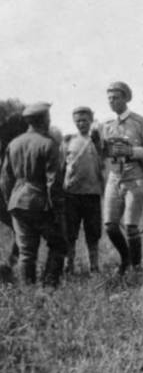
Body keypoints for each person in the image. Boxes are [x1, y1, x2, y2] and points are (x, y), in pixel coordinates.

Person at [0, 102, 67, 287]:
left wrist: (10, 201)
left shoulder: (14, 144)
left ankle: (28, 290)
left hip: (17, 202)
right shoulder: (48, 144)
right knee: (59, 245)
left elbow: (5, 180)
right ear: (44, 120)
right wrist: (58, 210)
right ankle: (50, 286)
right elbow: (53, 182)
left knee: (26, 251)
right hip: (40, 203)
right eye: (48, 118)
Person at [99, 81, 143, 276]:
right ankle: (126, 259)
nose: (112, 101)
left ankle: (136, 268)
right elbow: (103, 152)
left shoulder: (140, 122)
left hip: (136, 177)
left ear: (126, 98)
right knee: (110, 226)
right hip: (114, 177)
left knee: (131, 226)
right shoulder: (107, 125)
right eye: (109, 98)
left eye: (116, 98)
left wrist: (131, 151)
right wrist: (100, 146)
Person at [61, 106, 104, 273]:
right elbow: (61, 167)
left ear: (91, 120)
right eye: (78, 121)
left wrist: (99, 142)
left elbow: (105, 161)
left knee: (93, 234)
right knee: (70, 233)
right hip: (71, 195)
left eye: (85, 120)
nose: (81, 124)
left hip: (92, 194)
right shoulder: (68, 141)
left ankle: (94, 267)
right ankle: (69, 266)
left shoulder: (98, 141)